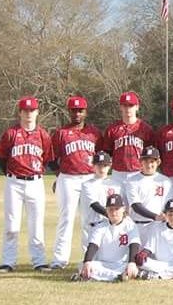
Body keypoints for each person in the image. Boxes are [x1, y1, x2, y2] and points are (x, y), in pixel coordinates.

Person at [0, 96, 55, 273]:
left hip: (35, 182)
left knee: (36, 224)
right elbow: (2, 159)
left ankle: (38, 261)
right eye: (25, 110)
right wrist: (11, 175)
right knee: (12, 225)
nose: (28, 113)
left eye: (32, 110)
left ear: (37, 112)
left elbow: (46, 159)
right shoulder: (11, 134)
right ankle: (8, 261)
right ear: (20, 113)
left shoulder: (43, 135)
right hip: (14, 182)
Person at [49, 95, 100, 270]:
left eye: (80, 110)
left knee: (90, 220)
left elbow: (102, 157)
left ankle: (90, 259)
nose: (77, 113)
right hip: (68, 178)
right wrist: (58, 176)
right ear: (69, 112)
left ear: (86, 112)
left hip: (89, 178)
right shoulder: (61, 133)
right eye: (74, 110)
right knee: (66, 219)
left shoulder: (94, 133)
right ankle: (59, 260)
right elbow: (51, 158)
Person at [72, 194, 139, 282]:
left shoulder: (130, 226)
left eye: (117, 209)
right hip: (102, 263)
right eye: (110, 209)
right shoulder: (100, 226)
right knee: (83, 265)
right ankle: (117, 277)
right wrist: (87, 262)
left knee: (133, 267)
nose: (114, 212)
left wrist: (132, 262)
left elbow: (134, 244)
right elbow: (93, 245)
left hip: (121, 264)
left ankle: (90, 277)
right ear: (106, 210)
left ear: (123, 209)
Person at [100, 91, 154, 185]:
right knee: (117, 199)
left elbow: (151, 153)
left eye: (131, 105)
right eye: (125, 105)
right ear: (120, 107)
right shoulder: (112, 129)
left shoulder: (146, 129)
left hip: (139, 171)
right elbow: (107, 152)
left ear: (137, 107)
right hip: (118, 173)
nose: (128, 109)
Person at [126, 146, 173, 242]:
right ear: (141, 162)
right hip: (137, 226)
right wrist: (155, 216)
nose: (149, 165)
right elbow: (136, 206)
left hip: (158, 226)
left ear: (158, 162)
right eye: (146, 161)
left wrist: (164, 216)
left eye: (152, 161)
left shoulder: (165, 181)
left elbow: (170, 203)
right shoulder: (132, 180)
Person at [78, 152, 124, 253]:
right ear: (93, 166)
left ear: (110, 166)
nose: (102, 169)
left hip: (110, 225)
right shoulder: (87, 185)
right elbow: (95, 205)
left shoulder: (116, 184)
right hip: (93, 226)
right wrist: (111, 215)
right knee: (90, 261)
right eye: (99, 165)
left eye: (105, 165)